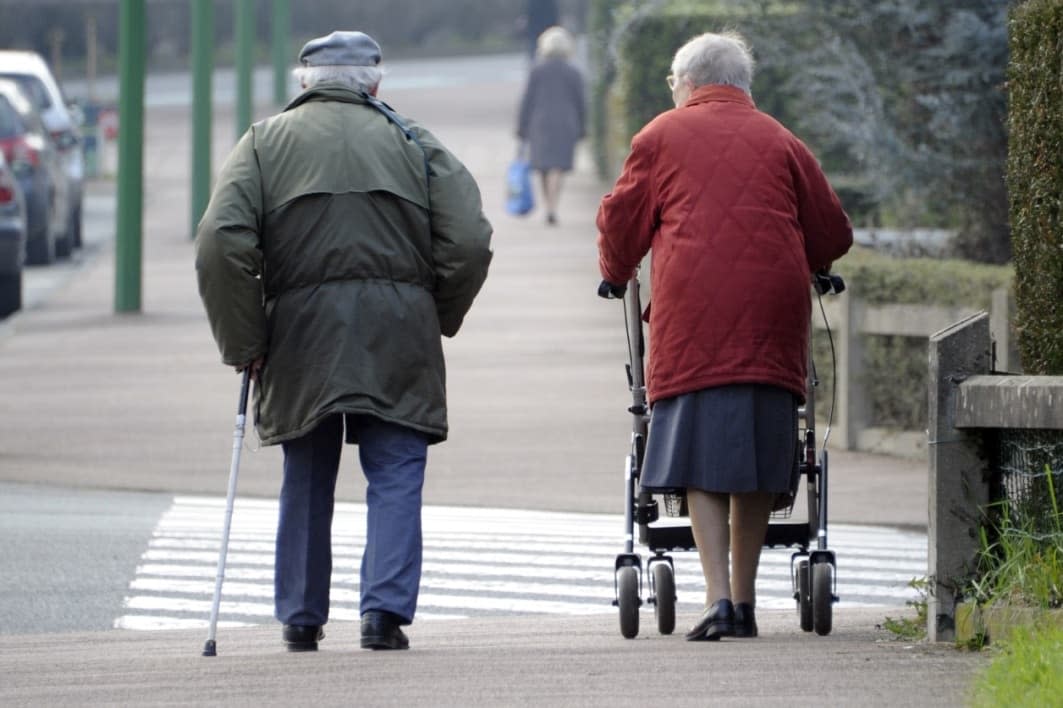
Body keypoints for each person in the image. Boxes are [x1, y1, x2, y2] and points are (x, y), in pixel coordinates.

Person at [194, 30, 493, 653]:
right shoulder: (415, 142)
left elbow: (219, 243)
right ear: (376, 83)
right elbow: (468, 239)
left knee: (305, 468)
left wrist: (244, 339)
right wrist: (434, 309)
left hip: (300, 335)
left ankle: (301, 617)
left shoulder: (263, 143)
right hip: (398, 329)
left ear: (304, 83)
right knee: (396, 467)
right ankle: (383, 616)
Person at [596, 31, 852, 641]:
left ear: (687, 82)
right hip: (771, 316)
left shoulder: (658, 136)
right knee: (762, 457)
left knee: (700, 457)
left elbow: (621, 222)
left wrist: (614, 273)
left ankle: (717, 602)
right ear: (743, 84)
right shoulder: (780, 138)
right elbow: (831, 230)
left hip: (693, 322)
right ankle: (744, 599)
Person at [516, 25, 585, 226]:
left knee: (543, 167)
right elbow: (580, 101)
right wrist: (582, 126)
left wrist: (522, 126)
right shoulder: (573, 71)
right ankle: (552, 206)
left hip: (540, 123)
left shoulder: (537, 70)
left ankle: (549, 205)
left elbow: (527, 100)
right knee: (557, 166)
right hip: (566, 123)